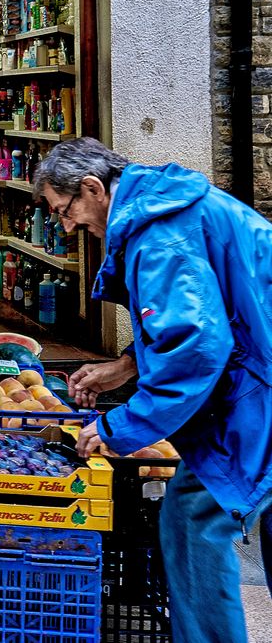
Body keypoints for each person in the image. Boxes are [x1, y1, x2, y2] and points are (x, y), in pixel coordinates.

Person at [32, 137, 272, 643]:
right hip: (258, 376)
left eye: (65, 209)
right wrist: (125, 366)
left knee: (191, 522)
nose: (69, 226)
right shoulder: (162, 206)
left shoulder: (160, 237)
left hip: (259, 393)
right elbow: (208, 315)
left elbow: (195, 347)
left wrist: (120, 426)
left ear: (94, 188)